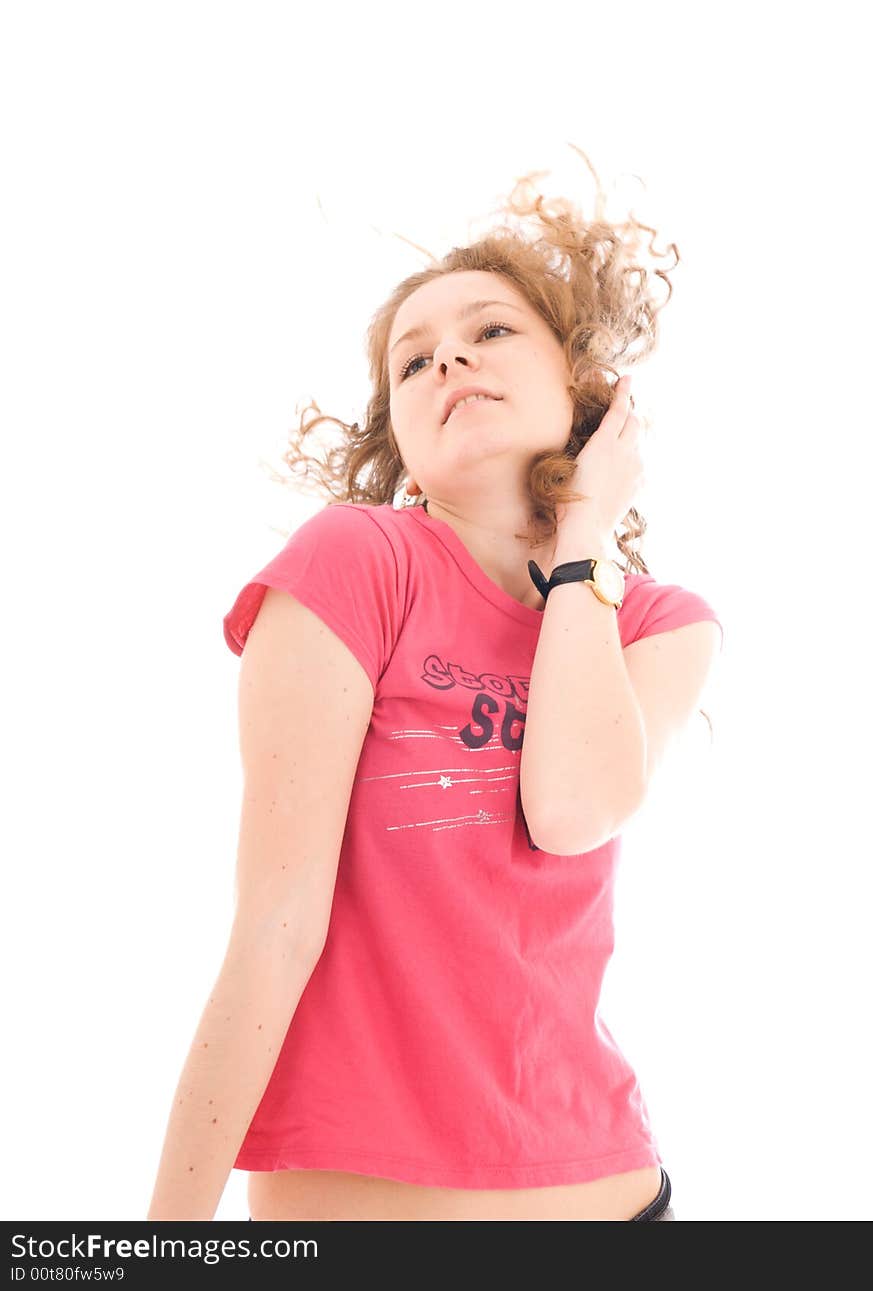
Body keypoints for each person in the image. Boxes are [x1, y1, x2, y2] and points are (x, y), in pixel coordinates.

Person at [147, 154, 722, 1222]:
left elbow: (570, 809)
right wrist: (159, 1242)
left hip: (611, 1195)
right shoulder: (357, 562)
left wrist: (582, 538)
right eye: (413, 363)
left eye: (491, 331)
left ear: (586, 395)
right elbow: (275, 924)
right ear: (403, 446)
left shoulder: (659, 622)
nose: (448, 356)